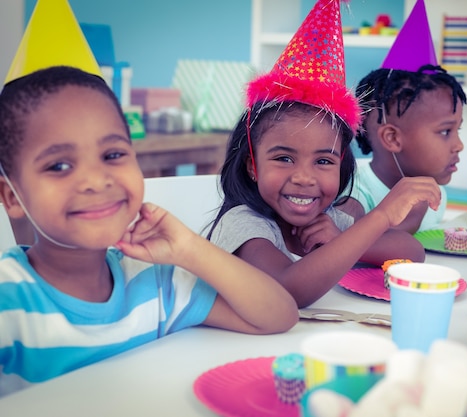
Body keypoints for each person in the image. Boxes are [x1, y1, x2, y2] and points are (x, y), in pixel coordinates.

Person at [0, 66, 299, 397]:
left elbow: (278, 315)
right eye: (59, 166)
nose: (97, 181)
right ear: (13, 197)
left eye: (112, 155)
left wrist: (188, 247)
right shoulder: (8, 300)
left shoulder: (155, 283)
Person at [207, 0, 438, 308]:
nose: (304, 178)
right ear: (253, 166)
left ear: (341, 165)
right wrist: (381, 216)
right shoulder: (244, 224)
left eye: (323, 161)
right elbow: (288, 292)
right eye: (284, 158)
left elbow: (411, 252)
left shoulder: (328, 219)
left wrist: (341, 238)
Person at [348, 64, 467, 234]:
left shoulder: (437, 192)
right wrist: (413, 217)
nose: (459, 145)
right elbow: (346, 245)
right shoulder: (354, 193)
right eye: (445, 131)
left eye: (458, 130)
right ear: (393, 138)